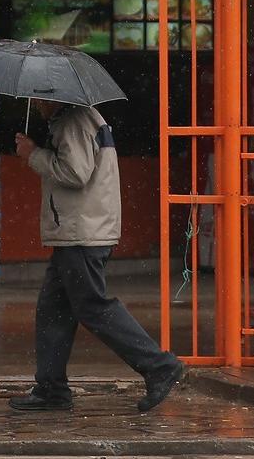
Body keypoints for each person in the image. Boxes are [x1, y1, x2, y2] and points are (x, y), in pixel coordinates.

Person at [10, 97, 186, 413]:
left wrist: (33, 154)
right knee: (53, 310)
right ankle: (51, 389)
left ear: (51, 95)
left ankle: (158, 365)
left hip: (82, 231)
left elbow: (76, 173)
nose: (34, 105)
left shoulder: (73, 121)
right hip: (78, 232)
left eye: (37, 98)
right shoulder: (82, 118)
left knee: (92, 306)